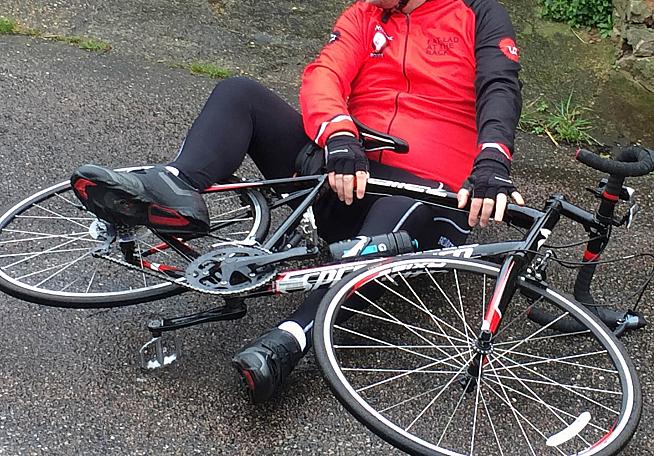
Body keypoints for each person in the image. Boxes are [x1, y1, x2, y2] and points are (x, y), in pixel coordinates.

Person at [71, 0, 523, 403]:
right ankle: (174, 188)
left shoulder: (477, 12)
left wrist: (492, 162)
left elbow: (499, 87)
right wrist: (339, 133)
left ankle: (288, 341)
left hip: (422, 202)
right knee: (239, 93)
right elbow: (325, 74)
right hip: (345, 174)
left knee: (406, 207)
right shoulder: (365, 14)